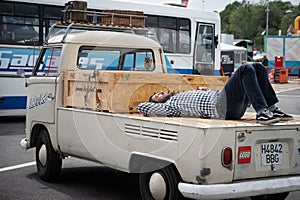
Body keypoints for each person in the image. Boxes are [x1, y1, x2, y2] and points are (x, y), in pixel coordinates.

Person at [137, 63, 293, 125]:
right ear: (158, 103)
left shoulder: (178, 95)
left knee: (258, 67)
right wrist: (151, 101)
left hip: (226, 102)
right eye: (157, 96)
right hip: (221, 107)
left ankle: (272, 108)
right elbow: (142, 107)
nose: (161, 93)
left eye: (159, 92)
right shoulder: (169, 107)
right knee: (245, 69)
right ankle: (261, 112)